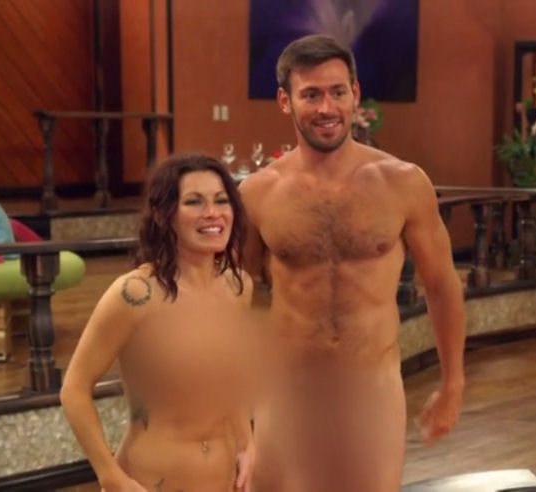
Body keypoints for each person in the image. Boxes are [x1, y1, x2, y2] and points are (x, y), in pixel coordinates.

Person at [239, 34, 466, 491]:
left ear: (355, 94)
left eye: (337, 92)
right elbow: (236, 298)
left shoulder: (402, 183)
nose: (327, 108)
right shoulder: (258, 194)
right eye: (311, 95)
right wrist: (230, 411)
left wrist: (453, 384)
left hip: (371, 390)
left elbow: (442, 285)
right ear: (285, 101)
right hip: (286, 390)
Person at [61, 154, 257, 492]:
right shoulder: (135, 294)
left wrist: (248, 442)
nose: (213, 213)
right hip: (152, 480)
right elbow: (74, 390)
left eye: (221, 200)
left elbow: (232, 382)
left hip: (226, 479)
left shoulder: (238, 287)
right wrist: (109, 475)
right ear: (165, 215)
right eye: (194, 202)